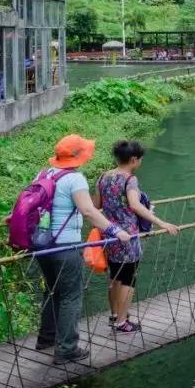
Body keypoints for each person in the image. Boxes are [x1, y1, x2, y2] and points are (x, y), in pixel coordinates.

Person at [34, 135, 130, 365]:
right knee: (70, 295)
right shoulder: (75, 179)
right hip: (65, 246)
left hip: (41, 244)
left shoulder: (44, 174)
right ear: (78, 156)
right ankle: (66, 349)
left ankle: (46, 338)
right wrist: (116, 230)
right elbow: (88, 211)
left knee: (52, 290)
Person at [94, 140, 179, 334]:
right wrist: (161, 222)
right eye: (140, 159)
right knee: (128, 279)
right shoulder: (129, 179)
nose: (140, 162)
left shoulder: (103, 177)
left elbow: (96, 206)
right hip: (128, 237)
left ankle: (115, 315)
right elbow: (134, 205)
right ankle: (122, 322)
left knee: (115, 276)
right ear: (133, 159)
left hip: (109, 234)